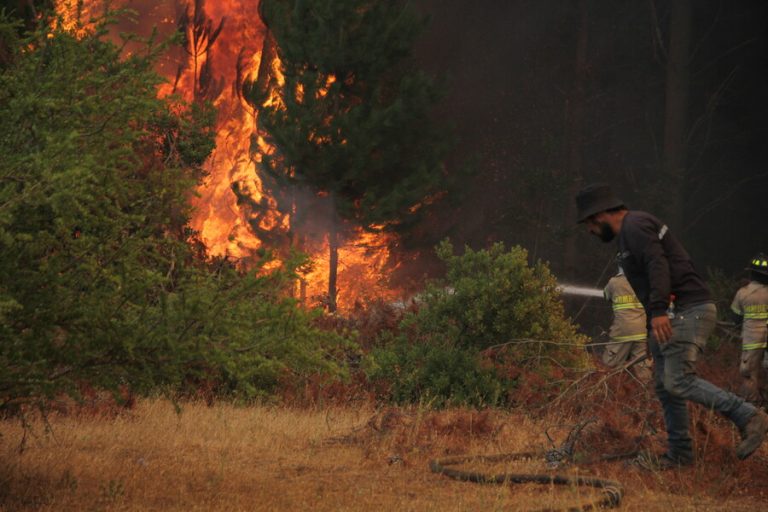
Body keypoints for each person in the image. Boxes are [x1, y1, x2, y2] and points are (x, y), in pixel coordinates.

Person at [575, 183, 768, 470]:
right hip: (675, 313)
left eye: (589, 224)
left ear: (600, 215)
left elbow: (657, 264)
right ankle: (679, 455)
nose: (590, 231)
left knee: (678, 380)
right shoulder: (631, 232)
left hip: (687, 310)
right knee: (666, 387)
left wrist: (658, 311)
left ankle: (748, 415)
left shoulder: (635, 226)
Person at [731, 254, 768, 406]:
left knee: (749, 375)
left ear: (751, 273)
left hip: (752, 341)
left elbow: (736, 318)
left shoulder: (743, 293)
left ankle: (750, 409)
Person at [602, 267, 651, 381]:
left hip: (622, 333)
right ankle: (645, 395)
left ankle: (608, 392)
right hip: (642, 332)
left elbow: (606, 296)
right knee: (643, 370)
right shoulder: (644, 281)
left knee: (609, 367)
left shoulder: (614, 282)